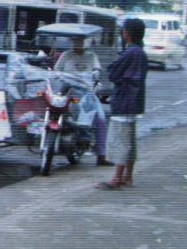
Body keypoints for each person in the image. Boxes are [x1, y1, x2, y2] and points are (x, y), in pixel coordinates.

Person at [97, 18, 149, 190]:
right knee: (129, 140)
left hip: (125, 99)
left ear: (127, 33)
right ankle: (127, 176)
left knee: (121, 140)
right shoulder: (140, 52)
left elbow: (114, 72)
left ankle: (117, 178)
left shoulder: (131, 53)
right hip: (134, 101)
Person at [54, 36, 111, 166]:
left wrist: (95, 74)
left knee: (101, 119)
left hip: (86, 95)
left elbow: (97, 70)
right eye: (75, 41)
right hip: (68, 92)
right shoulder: (66, 55)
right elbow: (56, 72)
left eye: (80, 41)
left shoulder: (92, 56)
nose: (77, 44)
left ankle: (101, 155)